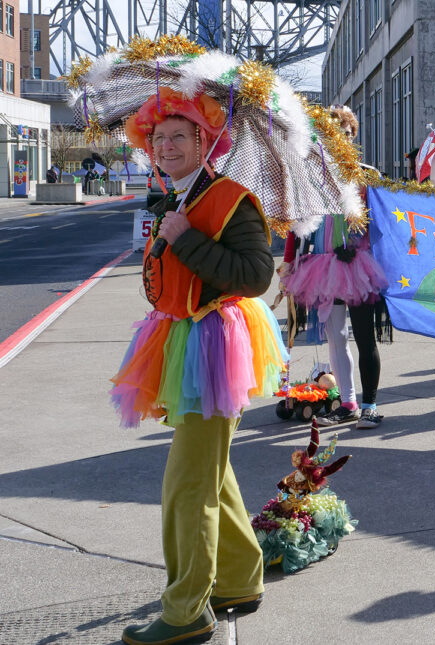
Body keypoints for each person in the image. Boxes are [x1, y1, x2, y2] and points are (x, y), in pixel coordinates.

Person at [110, 88, 285, 644]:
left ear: (206, 141)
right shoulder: (171, 198)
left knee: (188, 484)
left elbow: (256, 276)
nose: (165, 147)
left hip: (216, 345)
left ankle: (188, 612)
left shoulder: (230, 197)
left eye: (178, 137)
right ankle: (239, 578)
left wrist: (184, 242)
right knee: (211, 469)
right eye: (157, 138)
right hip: (183, 340)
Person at [281, 105, 389, 429]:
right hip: (324, 266)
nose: (335, 141)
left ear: (351, 137)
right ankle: (348, 402)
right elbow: (297, 223)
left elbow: (383, 225)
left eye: (342, 134)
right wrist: (289, 261)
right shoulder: (311, 178)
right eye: (328, 135)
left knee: (365, 336)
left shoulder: (366, 176)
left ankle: (369, 404)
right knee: (335, 336)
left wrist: (359, 245)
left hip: (357, 265)